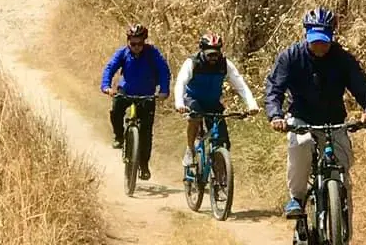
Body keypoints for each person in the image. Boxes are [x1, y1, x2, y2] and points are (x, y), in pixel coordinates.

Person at [263, 6, 366, 245]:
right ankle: (296, 198)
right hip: (301, 118)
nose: (319, 45)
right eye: (314, 39)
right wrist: (276, 115)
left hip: (334, 120)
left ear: (332, 37)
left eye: (324, 40)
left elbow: (364, 88)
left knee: (344, 184)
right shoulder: (291, 57)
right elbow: (274, 89)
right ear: (306, 35)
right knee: (301, 145)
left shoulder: (342, 59)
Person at [172, 32, 259, 180]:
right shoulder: (192, 63)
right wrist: (179, 103)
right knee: (195, 116)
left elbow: (241, 86)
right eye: (210, 54)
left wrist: (252, 104)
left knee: (223, 141)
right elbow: (180, 83)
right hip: (193, 99)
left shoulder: (225, 64)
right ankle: (190, 148)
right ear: (202, 51)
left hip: (213, 103)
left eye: (216, 54)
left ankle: (220, 177)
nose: (213, 58)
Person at [100, 23, 170, 180]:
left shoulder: (152, 54)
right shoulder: (123, 53)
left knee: (146, 132)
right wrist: (106, 86)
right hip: (126, 92)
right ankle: (119, 136)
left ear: (144, 41)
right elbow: (110, 68)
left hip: (147, 95)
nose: (136, 47)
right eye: (133, 43)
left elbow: (163, 70)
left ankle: (144, 165)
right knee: (116, 109)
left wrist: (164, 90)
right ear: (128, 41)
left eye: (140, 43)